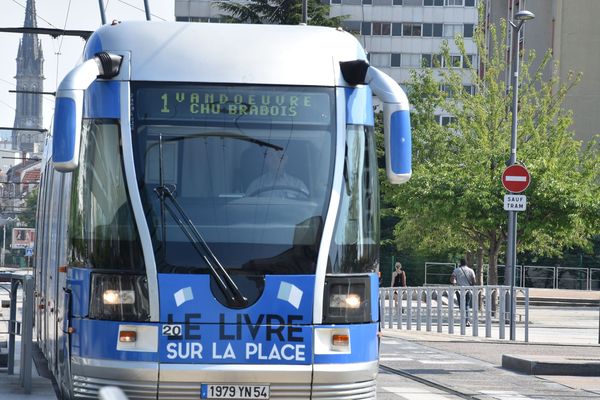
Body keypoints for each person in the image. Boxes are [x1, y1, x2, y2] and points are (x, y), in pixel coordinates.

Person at [450, 259, 476, 326]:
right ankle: (467, 320)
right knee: (467, 305)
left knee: (461, 305)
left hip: (459, 290)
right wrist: (472, 286)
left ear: (460, 263)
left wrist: (454, 284)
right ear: (466, 263)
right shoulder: (471, 270)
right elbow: (474, 280)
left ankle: (463, 319)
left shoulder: (456, 270)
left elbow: (452, 279)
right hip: (468, 289)